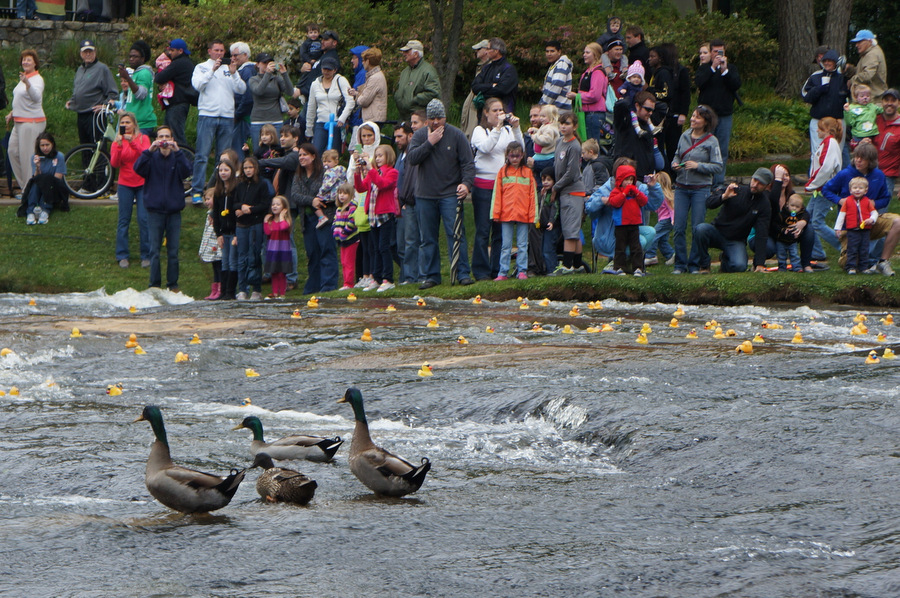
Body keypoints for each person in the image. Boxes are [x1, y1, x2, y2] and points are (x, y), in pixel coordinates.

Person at [407, 99, 475, 288]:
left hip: (449, 194)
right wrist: (430, 142)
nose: (436, 122)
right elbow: (412, 159)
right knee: (427, 238)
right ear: (427, 119)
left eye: (439, 118)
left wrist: (466, 184)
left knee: (456, 234)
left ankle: (462, 273)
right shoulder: (420, 135)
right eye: (432, 118)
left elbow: (468, 163)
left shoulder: (457, 135)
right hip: (424, 195)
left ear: (445, 117)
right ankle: (431, 276)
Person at [822, 143, 897, 275]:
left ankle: (883, 261)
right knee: (847, 263)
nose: (858, 160)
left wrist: (875, 203)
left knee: (898, 222)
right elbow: (826, 189)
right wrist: (839, 200)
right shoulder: (845, 174)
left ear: (871, 161)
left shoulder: (878, 175)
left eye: (862, 158)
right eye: (856, 157)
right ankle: (857, 261)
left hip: (869, 222)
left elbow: (886, 198)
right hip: (849, 226)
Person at [470, 97, 524, 280]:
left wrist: (516, 128)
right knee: (483, 230)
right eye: (494, 110)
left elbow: (520, 150)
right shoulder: (480, 130)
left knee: (500, 230)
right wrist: (497, 128)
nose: (499, 113)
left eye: (501, 110)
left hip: (504, 186)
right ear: (486, 113)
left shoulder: (508, 130)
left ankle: (497, 269)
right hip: (483, 185)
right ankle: (480, 271)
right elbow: (486, 148)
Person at [133, 125, 192, 291]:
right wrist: (148, 151)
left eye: (167, 136)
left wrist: (178, 152)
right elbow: (137, 168)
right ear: (156, 139)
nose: (164, 140)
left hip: (173, 211)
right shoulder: (151, 158)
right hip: (154, 211)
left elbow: (187, 171)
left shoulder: (177, 157)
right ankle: (154, 284)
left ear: (172, 139)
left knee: (173, 252)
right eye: (161, 137)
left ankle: (173, 284)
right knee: (154, 251)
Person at [190, 40, 248, 204]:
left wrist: (234, 72)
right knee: (202, 154)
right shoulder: (201, 67)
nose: (220, 53)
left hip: (227, 116)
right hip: (207, 115)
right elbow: (198, 85)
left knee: (224, 158)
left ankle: (218, 190)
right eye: (216, 50)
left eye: (222, 51)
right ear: (209, 51)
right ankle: (197, 191)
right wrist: (212, 70)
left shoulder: (229, 68)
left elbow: (242, 89)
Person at [585, 157, 663, 272]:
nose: (629, 181)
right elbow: (589, 209)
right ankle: (618, 263)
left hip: (631, 229)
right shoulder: (607, 189)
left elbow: (653, 204)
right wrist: (602, 201)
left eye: (631, 177)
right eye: (626, 177)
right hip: (609, 237)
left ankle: (628, 263)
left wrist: (653, 187)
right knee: (640, 241)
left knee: (650, 232)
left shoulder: (637, 187)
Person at [670, 104, 723, 274]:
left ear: (706, 122)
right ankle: (679, 264)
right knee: (678, 227)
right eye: (693, 116)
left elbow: (718, 166)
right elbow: (677, 155)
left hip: (701, 188)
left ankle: (694, 264)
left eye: (697, 117)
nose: (692, 119)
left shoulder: (712, 141)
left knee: (697, 228)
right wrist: (674, 164)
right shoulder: (684, 135)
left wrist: (698, 166)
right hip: (681, 187)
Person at [693, 168, 777, 273]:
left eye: (760, 183)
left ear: (767, 186)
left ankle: (725, 262)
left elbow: (762, 233)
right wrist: (723, 197)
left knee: (740, 266)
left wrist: (759, 264)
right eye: (755, 180)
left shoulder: (764, 205)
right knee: (700, 229)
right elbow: (709, 203)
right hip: (717, 232)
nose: (755, 184)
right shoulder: (735, 189)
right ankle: (704, 265)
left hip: (736, 240)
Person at [290, 143, 338, 293]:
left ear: (313, 156)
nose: (302, 158)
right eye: (300, 155)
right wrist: (311, 201)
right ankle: (313, 287)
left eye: (305, 155)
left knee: (327, 251)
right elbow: (295, 195)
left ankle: (329, 286)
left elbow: (331, 192)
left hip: (325, 218)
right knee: (312, 253)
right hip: (307, 219)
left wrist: (319, 200)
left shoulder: (325, 173)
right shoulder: (298, 176)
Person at [695, 40, 741, 186]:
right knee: (705, 147)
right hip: (707, 115)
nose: (717, 55)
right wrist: (713, 68)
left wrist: (724, 71)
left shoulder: (730, 69)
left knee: (721, 149)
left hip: (724, 114)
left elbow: (736, 84)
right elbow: (699, 83)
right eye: (715, 52)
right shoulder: (704, 69)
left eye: (720, 52)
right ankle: (704, 180)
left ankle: (718, 182)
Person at [354, 144, 399, 292]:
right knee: (374, 249)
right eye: (376, 155)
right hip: (373, 216)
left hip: (385, 216)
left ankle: (388, 279)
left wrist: (370, 170)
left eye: (380, 155)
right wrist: (357, 173)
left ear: (389, 157)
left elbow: (382, 184)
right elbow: (361, 188)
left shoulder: (392, 172)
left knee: (383, 247)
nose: (378, 158)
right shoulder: (374, 172)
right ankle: (376, 278)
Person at [548, 111, 587, 276]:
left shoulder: (574, 146)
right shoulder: (559, 142)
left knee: (570, 230)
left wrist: (555, 187)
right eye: (562, 123)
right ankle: (578, 266)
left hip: (573, 191)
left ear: (575, 126)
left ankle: (567, 265)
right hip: (564, 191)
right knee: (572, 229)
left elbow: (571, 173)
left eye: (568, 123)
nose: (564, 126)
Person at [110, 112, 151, 268]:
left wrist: (131, 142)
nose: (125, 125)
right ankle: (122, 255)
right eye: (123, 123)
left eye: (128, 122)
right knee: (123, 220)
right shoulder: (116, 141)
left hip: (142, 183)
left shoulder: (143, 138)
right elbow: (114, 163)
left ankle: (146, 255)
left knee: (143, 219)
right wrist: (119, 146)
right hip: (125, 183)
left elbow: (146, 155)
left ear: (134, 124)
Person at [490, 142, 536, 280]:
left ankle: (522, 270)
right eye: (512, 156)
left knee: (522, 244)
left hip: (523, 213)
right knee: (506, 245)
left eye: (517, 156)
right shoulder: (502, 172)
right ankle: (503, 272)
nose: (515, 159)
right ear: (507, 156)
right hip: (506, 213)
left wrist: (533, 214)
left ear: (522, 156)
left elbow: (532, 196)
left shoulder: (527, 173)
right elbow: (497, 195)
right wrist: (496, 213)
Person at [6, 49, 45, 199]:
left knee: (27, 156)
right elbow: (21, 100)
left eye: (28, 60)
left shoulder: (36, 79)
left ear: (35, 62)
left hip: (32, 122)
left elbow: (35, 98)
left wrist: (27, 83)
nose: (25, 62)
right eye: (23, 60)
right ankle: (25, 187)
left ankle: (29, 192)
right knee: (12, 151)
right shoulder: (25, 77)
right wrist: (12, 112)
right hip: (18, 121)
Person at [805, 117, 844, 264]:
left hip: (826, 189)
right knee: (806, 218)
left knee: (817, 222)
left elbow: (826, 168)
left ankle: (844, 248)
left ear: (828, 130)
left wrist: (812, 184)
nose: (817, 130)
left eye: (820, 128)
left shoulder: (830, 143)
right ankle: (816, 252)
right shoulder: (827, 143)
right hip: (821, 188)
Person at [67, 40, 117, 147]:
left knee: (95, 145)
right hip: (81, 113)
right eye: (85, 52)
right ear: (81, 54)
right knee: (84, 144)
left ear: (95, 52)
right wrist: (72, 101)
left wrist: (105, 106)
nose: (88, 54)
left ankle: (100, 164)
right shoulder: (80, 69)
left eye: (90, 51)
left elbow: (113, 93)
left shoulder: (102, 69)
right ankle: (86, 164)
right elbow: (78, 89)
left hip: (94, 114)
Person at [234, 157, 271, 300]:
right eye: (245, 168)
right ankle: (242, 288)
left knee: (254, 256)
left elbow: (264, 204)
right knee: (241, 257)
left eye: (250, 168)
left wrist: (250, 209)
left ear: (255, 168)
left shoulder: (261, 184)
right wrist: (240, 207)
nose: (248, 170)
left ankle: (256, 288)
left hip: (255, 223)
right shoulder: (240, 185)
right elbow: (235, 203)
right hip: (241, 225)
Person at [305, 56, 354, 156]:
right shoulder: (315, 84)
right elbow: (311, 107)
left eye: (329, 69)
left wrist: (342, 118)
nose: (326, 72)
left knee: (334, 152)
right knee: (316, 151)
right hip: (321, 122)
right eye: (324, 69)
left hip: (337, 122)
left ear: (335, 70)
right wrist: (309, 129)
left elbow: (350, 101)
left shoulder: (341, 80)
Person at [801, 49, 847, 157]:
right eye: (825, 60)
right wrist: (819, 89)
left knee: (836, 154)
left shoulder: (843, 78)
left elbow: (851, 96)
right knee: (818, 153)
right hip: (818, 121)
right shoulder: (815, 77)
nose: (827, 63)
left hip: (837, 122)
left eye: (830, 61)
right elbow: (805, 96)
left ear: (835, 62)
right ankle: (817, 173)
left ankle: (835, 174)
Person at [607, 163, 649, 276]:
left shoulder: (635, 192)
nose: (629, 183)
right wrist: (624, 193)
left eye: (631, 180)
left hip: (634, 223)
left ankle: (638, 268)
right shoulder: (616, 191)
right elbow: (614, 202)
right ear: (620, 180)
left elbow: (644, 201)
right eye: (626, 180)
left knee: (636, 247)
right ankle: (619, 267)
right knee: (620, 247)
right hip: (621, 224)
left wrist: (636, 192)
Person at [154, 38, 195, 148]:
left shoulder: (179, 63)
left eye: (172, 50)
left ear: (180, 51)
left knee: (176, 136)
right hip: (176, 104)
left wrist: (161, 80)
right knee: (167, 134)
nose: (170, 53)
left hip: (178, 104)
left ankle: (184, 159)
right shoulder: (185, 62)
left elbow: (159, 77)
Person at [247, 53, 292, 151]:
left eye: (269, 62)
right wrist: (267, 74)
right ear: (257, 64)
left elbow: (290, 92)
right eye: (264, 63)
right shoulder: (253, 79)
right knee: (258, 151)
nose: (267, 65)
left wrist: (284, 74)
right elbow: (259, 91)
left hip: (276, 120)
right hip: (258, 120)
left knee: (278, 151)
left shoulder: (276, 79)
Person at [835, 177, 878, 274]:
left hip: (865, 230)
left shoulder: (867, 201)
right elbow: (842, 215)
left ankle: (863, 267)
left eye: (860, 188)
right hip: (852, 230)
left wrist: (871, 219)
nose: (857, 190)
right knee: (852, 248)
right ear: (850, 190)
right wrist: (838, 228)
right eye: (855, 188)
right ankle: (851, 267)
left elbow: (874, 213)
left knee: (864, 249)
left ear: (865, 190)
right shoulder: (848, 201)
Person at [21, 132, 66, 225]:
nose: (45, 148)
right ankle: (31, 212)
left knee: (47, 182)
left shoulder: (59, 156)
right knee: (35, 183)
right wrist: (37, 166)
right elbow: (36, 177)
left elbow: (58, 177)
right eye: (42, 145)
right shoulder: (35, 157)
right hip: (40, 184)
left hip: (54, 187)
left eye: (47, 145)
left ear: (52, 144)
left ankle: (45, 210)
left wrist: (45, 181)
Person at [566, 43, 608, 144]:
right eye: (584, 52)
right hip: (586, 113)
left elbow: (595, 95)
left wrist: (577, 96)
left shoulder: (598, 72)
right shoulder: (587, 72)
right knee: (585, 143)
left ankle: (595, 160)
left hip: (594, 114)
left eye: (587, 52)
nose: (584, 55)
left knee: (591, 145)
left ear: (595, 55)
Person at [613, 91, 660, 178]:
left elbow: (663, 107)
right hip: (628, 176)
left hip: (646, 176)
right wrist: (631, 93)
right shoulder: (626, 122)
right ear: (637, 106)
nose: (650, 113)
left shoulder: (649, 125)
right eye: (648, 109)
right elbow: (619, 106)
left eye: (652, 110)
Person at [393, 121, 418, 285]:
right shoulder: (400, 155)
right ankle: (405, 275)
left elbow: (411, 179)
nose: (396, 140)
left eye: (400, 136)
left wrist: (405, 199)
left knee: (409, 242)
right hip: (396, 206)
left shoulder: (412, 154)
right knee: (396, 244)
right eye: (395, 137)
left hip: (408, 203)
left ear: (410, 136)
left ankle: (411, 277)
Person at [212, 158, 240, 300]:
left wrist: (237, 233)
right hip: (223, 232)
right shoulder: (218, 191)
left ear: (232, 171)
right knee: (225, 261)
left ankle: (230, 291)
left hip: (234, 232)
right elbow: (216, 215)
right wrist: (218, 234)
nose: (223, 173)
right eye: (221, 170)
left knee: (232, 260)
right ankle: (223, 291)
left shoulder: (236, 189)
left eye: (226, 170)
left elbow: (237, 213)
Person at [394, 40, 442, 122]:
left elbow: (434, 93)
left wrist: (414, 100)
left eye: (407, 51)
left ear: (415, 54)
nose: (404, 54)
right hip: (403, 118)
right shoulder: (405, 72)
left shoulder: (428, 71)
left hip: (419, 119)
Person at [117, 41, 156, 136]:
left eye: (135, 57)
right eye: (130, 56)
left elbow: (141, 95)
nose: (131, 59)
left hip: (141, 123)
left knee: (138, 150)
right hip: (130, 121)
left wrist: (127, 78)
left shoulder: (144, 73)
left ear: (143, 59)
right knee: (122, 145)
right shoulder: (136, 73)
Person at [471, 38, 519, 114]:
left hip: (503, 114)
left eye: (488, 49)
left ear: (496, 50)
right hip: (484, 115)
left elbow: (502, 90)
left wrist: (483, 90)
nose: (486, 52)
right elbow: (475, 87)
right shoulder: (486, 68)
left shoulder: (508, 69)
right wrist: (491, 86)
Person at [294, 29, 340, 104]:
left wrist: (302, 91)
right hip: (310, 98)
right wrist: (303, 69)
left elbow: (322, 79)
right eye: (322, 39)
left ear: (334, 43)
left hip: (318, 101)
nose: (322, 41)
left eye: (326, 40)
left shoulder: (331, 58)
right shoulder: (322, 56)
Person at [870, 89, 900, 196]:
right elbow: (855, 141)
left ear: (899, 103)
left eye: (893, 100)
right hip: (867, 173)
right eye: (886, 100)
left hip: (887, 176)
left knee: (881, 212)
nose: (889, 103)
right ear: (882, 102)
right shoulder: (873, 119)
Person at [263, 195, 292, 299]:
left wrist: (281, 217)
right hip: (272, 250)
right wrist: (266, 222)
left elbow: (283, 227)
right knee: (274, 272)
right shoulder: (271, 220)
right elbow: (267, 232)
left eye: (278, 204)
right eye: (273, 204)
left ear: (284, 207)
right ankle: (274, 293)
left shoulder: (286, 220)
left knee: (281, 273)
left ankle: (282, 294)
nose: (274, 206)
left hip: (283, 250)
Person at [332, 182, 360, 290]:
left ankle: (349, 283)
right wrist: (335, 229)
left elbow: (352, 220)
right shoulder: (339, 209)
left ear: (351, 195)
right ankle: (345, 282)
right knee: (343, 261)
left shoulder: (352, 207)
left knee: (349, 262)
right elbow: (335, 220)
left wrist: (345, 230)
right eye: (340, 193)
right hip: (341, 239)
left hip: (350, 238)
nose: (342, 195)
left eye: (345, 193)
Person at [348, 47, 387, 124]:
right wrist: (356, 93)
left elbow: (363, 101)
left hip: (374, 119)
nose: (362, 63)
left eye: (363, 60)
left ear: (368, 61)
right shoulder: (374, 76)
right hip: (372, 118)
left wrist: (357, 96)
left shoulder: (375, 78)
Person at [230, 42, 256, 158]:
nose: (233, 58)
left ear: (245, 55)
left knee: (239, 149)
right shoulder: (252, 69)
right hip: (248, 115)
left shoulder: (246, 71)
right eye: (232, 55)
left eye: (236, 55)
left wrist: (238, 114)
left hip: (244, 117)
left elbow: (248, 96)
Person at [644, 170, 675, 266]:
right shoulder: (659, 195)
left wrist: (673, 219)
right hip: (664, 219)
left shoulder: (664, 195)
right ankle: (671, 255)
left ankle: (651, 256)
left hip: (666, 220)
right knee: (662, 240)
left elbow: (671, 209)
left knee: (654, 235)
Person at [773, 193, 810, 271]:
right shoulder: (782, 214)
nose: (794, 208)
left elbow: (805, 221)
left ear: (801, 207)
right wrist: (783, 230)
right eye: (792, 205)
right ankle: (782, 267)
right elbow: (776, 225)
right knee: (781, 255)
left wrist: (799, 233)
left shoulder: (801, 215)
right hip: (781, 239)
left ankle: (797, 267)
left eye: (797, 207)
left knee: (794, 254)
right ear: (787, 204)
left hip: (793, 240)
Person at [849, 30, 887, 102]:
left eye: (860, 42)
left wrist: (851, 80)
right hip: (870, 99)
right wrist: (850, 69)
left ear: (869, 41)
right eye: (856, 42)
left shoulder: (872, 54)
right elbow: (864, 70)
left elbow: (867, 75)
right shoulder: (869, 52)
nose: (857, 45)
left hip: (872, 100)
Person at [198, 189, 222, 300]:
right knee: (214, 267)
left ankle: (220, 289)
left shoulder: (218, 214)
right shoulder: (209, 214)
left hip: (217, 246)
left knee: (219, 267)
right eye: (205, 199)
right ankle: (214, 289)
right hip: (210, 245)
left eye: (209, 199)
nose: (206, 202)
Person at [527, 104, 559, 177]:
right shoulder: (545, 125)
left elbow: (546, 139)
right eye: (541, 116)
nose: (541, 118)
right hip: (541, 153)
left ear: (551, 117)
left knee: (530, 162)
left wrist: (534, 137)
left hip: (547, 155)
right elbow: (541, 133)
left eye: (543, 116)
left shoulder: (550, 128)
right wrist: (535, 131)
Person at [540, 40, 573, 111]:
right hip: (554, 110)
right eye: (547, 51)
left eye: (552, 51)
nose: (549, 54)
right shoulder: (555, 65)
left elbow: (555, 88)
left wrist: (542, 106)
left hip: (558, 110)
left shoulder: (561, 65)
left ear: (559, 52)